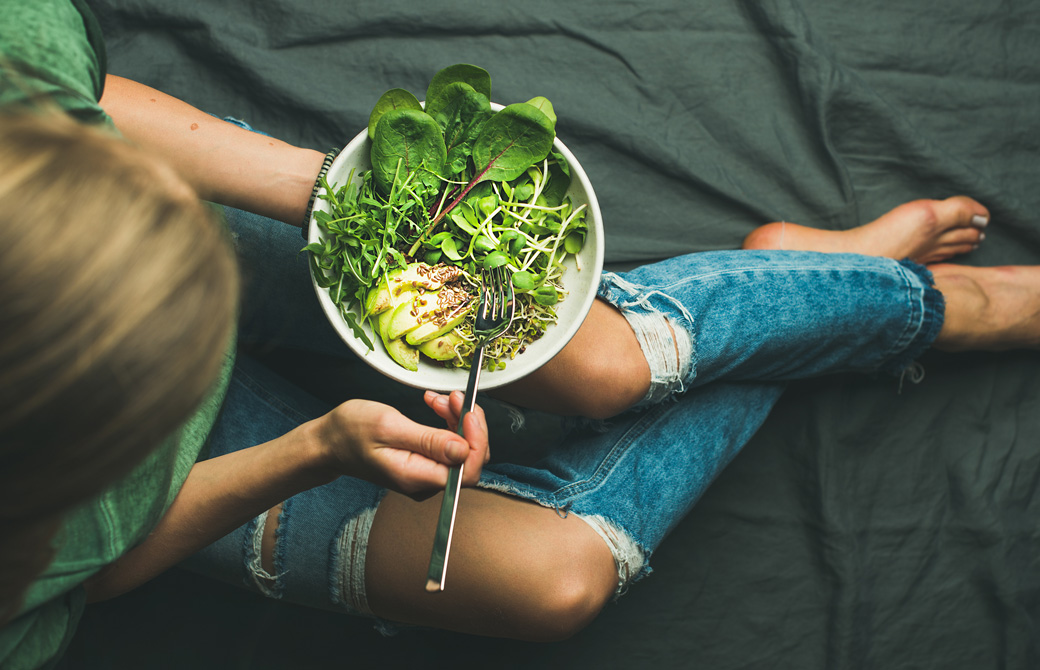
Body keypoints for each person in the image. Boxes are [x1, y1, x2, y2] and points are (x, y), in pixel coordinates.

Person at [4, 1, 1040, 666]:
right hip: (147, 452)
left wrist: (349, 202)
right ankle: (818, 289)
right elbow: (93, 569)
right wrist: (310, 450)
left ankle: (915, 304)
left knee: (602, 368)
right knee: (554, 580)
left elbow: (74, 98)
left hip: (158, 211)